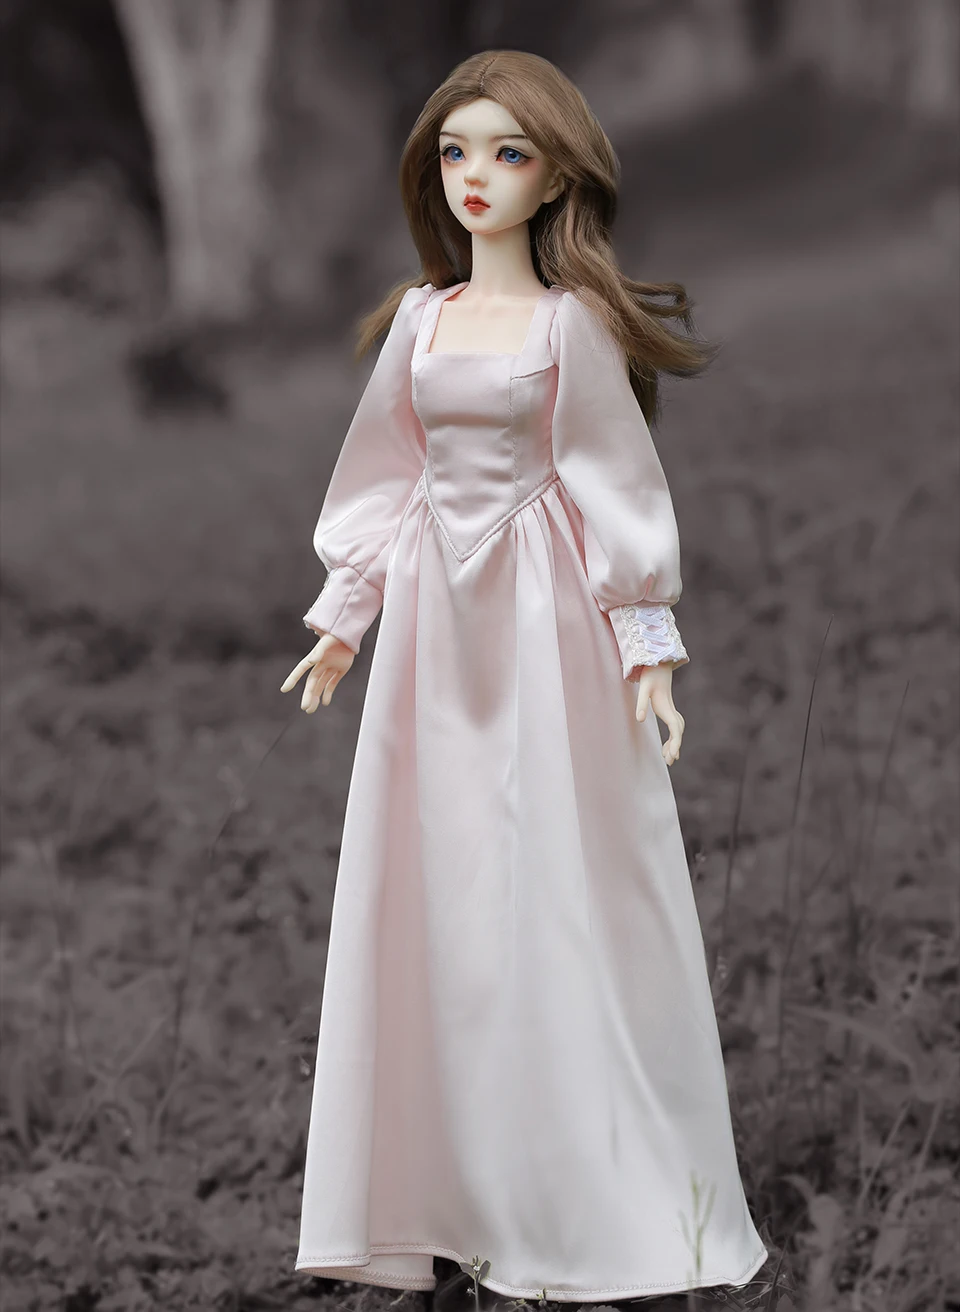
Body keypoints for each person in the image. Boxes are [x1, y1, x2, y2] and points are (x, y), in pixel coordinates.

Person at [281, 48, 768, 1304]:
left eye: (508, 153)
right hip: (430, 631)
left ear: (556, 178)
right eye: (456, 151)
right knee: (432, 883)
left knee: (551, 880)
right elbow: (384, 474)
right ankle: (447, 1188)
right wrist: (343, 618)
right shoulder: (420, 320)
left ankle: (577, 1190)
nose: (476, 176)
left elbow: (616, 482)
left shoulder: (570, 326)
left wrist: (646, 648)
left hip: (541, 621)